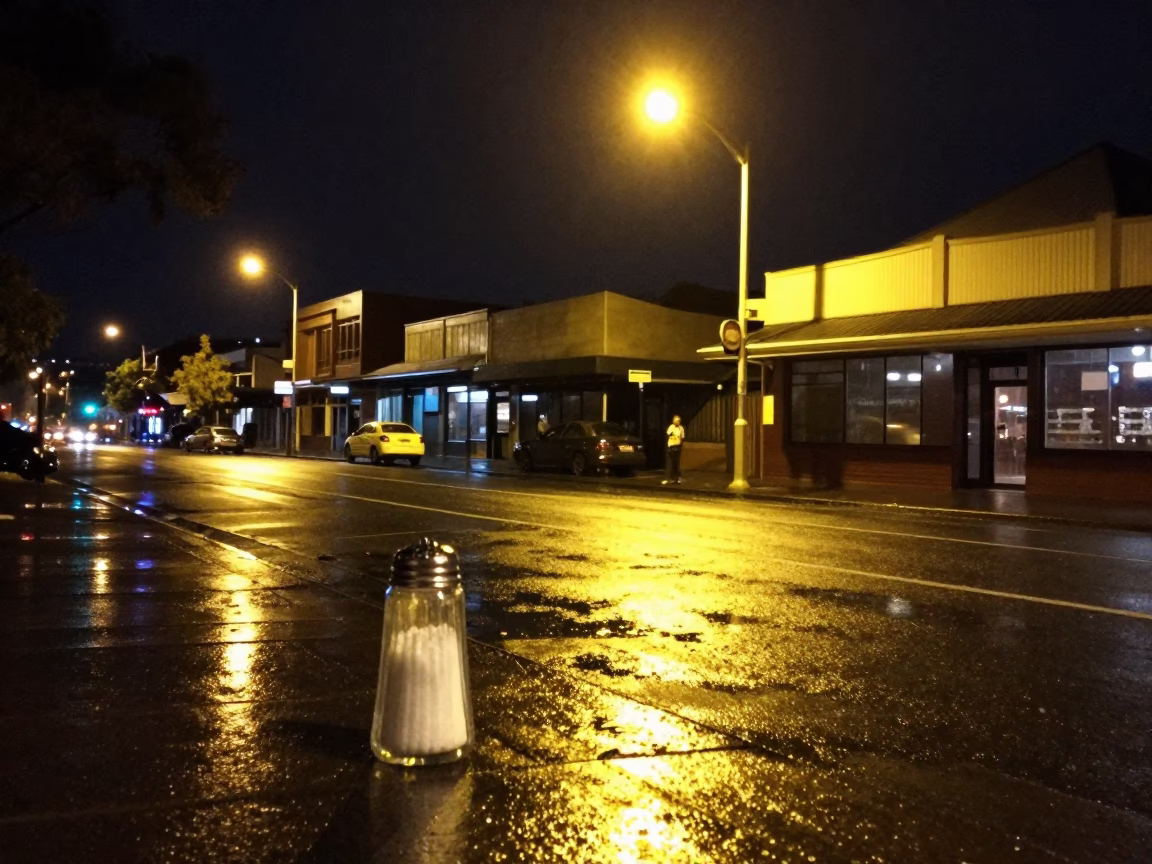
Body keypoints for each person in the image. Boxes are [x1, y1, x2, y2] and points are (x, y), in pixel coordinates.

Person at [662, 414, 685, 484]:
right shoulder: (671, 427)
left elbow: (682, 437)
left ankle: (678, 477)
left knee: (676, 463)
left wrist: (680, 445)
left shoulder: (681, 428)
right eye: (675, 420)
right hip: (671, 446)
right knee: (669, 463)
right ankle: (667, 478)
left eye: (678, 421)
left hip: (677, 446)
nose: (676, 422)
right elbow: (668, 434)